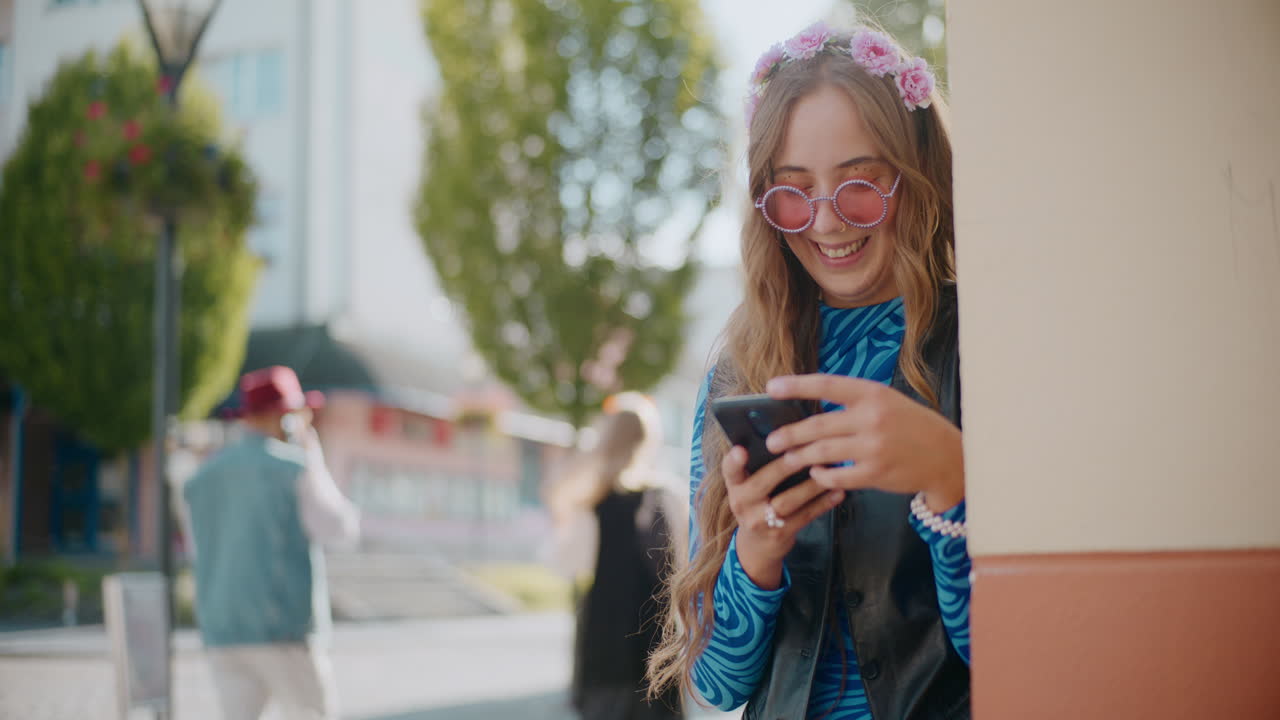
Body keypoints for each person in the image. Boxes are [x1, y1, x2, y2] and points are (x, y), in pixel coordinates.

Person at [646, 20, 970, 720]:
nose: (825, 223)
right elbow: (718, 683)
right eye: (793, 193)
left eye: (860, 184)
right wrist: (757, 551)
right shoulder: (739, 372)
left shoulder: (978, 346)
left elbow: (1018, 649)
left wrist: (951, 479)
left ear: (915, 175)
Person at [183, 365, 361, 720]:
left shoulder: (201, 478)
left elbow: (197, 549)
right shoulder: (294, 468)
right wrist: (315, 460)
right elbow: (340, 530)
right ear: (282, 417)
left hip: (223, 631)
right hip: (282, 631)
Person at [546, 392, 688, 720]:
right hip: (658, 654)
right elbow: (684, 568)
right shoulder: (670, 498)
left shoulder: (591, 503)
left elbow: (566, 564)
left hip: (606, 650)